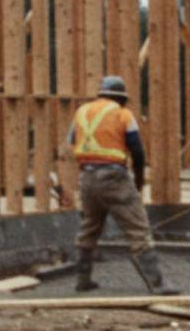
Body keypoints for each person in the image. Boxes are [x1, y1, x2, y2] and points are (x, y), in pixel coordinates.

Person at [69, 76, 180, 294]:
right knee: (138, 228)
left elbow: (73, 140)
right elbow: (137, 151)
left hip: (87, 177)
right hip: (113, 177)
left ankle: (83, 280)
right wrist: (138, 181)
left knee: (89, 227)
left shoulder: (81, 112)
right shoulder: (123, 114)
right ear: (122, 98)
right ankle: (157, 284)